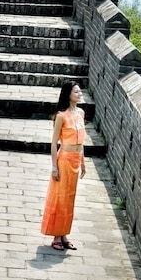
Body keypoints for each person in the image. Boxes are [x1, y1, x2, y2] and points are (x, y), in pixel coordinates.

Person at [41, 81, 86, 250]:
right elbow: (54, 143)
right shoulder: (61, 116)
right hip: (64, 159)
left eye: (80, 92)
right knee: (60, 198)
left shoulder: (81, 113)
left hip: (76, 159)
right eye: (76, 92)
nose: (79, 94)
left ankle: (64, 233)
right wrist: (54, 166)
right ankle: (56, 237)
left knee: (70, 199)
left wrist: (83, 162)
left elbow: (82, 141)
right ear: (68, 94)